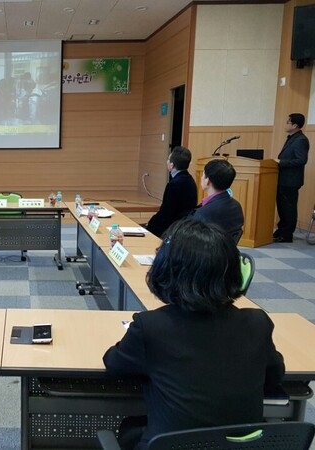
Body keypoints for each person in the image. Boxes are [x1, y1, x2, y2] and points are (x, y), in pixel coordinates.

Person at [103, 218, 285, 450]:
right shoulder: (258, 323)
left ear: (166, 269)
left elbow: (114, 364)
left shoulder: (150, 326)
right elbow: (274, 377)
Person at [145, 146, 197, 238]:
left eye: (168, 159)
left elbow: (165, 214)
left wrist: (150, 225)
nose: (167, 161)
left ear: (172, 165)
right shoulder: (190, 180)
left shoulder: (174, 185)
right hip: (185, 227)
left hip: (171, 229)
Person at [274, 113, 310, 243]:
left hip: (291, 180)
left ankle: (286, 234)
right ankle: (281, 231)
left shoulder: (301, 140)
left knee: (288, 208)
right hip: (284, 180)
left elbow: (301, 160)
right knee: (282, 207)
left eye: (288, 122)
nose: (286, 124)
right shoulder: (292, 138)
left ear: (295, 125)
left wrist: (281, 162)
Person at [192, 159, 244, 243]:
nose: (201, 178)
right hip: (227, 254)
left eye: (203, 175)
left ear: (207, 180)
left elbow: (192, 244)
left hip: (206, 254)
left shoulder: (204, 213)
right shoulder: (236, 206)